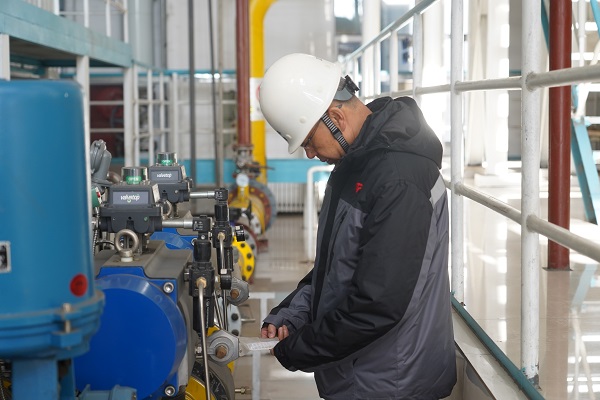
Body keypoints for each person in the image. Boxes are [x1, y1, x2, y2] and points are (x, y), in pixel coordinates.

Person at [258, 53, 457, 400]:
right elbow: (338, 268)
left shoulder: (397, 180)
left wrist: (301, 349)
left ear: (335, 118)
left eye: (308, 141)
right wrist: (293, 312)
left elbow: (378, 304)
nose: (309, 154)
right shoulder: (356, 166)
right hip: (361, 376)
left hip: (391, 383)